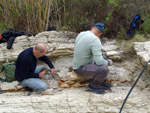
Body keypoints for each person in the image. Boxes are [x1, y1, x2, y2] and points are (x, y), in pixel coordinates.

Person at [73, 22, 113, 94]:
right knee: (104, 69)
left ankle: (101, 81)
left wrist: (105, 60)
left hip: (80, 63)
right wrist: (108, 62)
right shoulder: (95, 40)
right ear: (100, 34)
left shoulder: (81, 34)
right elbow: (99, 62)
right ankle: (94, 86)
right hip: (80, 67)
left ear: (92, 28)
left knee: (104, 59)